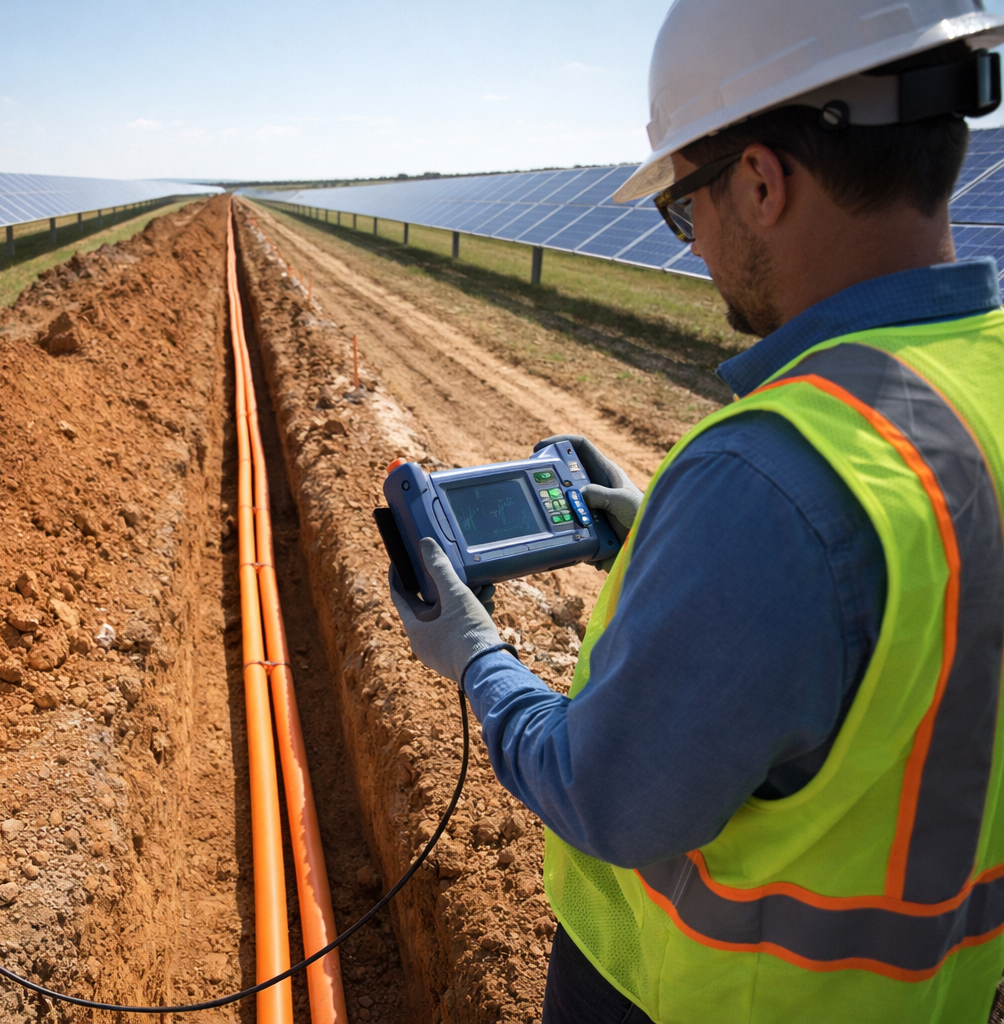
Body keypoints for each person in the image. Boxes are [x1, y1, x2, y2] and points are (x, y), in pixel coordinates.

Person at [387, 2, 1004, 1021]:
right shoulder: (975, 380)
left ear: (760, 182)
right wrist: (697, 555)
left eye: (684, 208)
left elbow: (607, 797)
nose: (695, 245)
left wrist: (475, 658)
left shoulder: (771, 478)